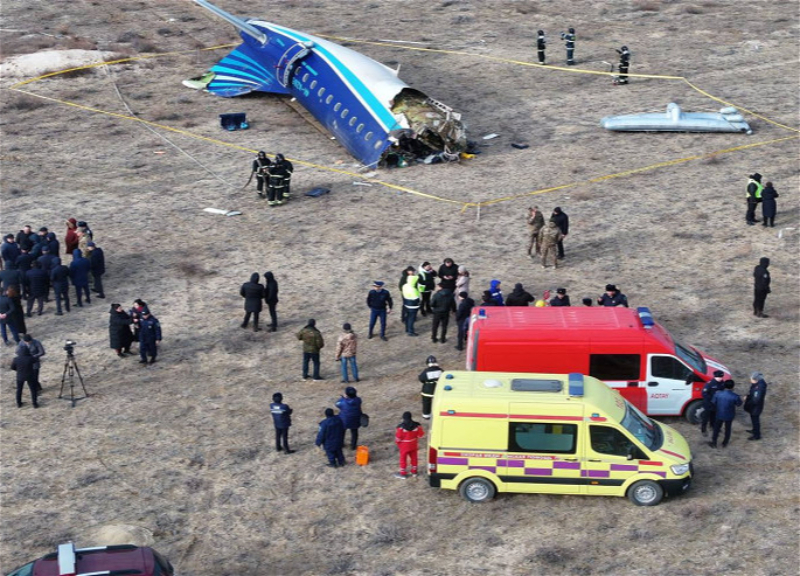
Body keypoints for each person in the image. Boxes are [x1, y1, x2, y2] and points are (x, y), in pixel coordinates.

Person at [709, 379, 742, 448]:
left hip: (719, 414)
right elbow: (739, 404)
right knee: (728, 429)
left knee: (716, 428)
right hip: (729, 415)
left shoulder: (718, 394)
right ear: (733, 387)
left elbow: (713, 402)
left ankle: (714, 443)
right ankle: (725, 443)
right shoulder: (735, 396)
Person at [394, 411, 425, 479]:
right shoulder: (417, 425)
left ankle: (403, 473)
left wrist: (399, 445)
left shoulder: (401, 428)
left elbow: (398, 439)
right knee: (414, 458)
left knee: (403, 459)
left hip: (404, 446)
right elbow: (420, 435)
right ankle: (414, 472)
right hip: (413, 444)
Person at [700, 370, 725, 437]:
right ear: (715, 377)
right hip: (709, 404)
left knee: (714, 417)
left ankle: (713, 426)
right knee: (705, 417)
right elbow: (704, 393)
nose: (720, 379)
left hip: (717, 404)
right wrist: (712, 399)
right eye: (719, 377)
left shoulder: (722, 383)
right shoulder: (710, 384)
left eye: (721, 377)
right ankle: (703, 430)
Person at [744, 372, 767, 441]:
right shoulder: (760, 383)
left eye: (751, 379)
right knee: (754, 419)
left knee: (755, 421)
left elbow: (755, 400)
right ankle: (754, 430)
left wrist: (747, 402)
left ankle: (757, 435)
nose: (750, 380)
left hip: (755, 408)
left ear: (756, 380)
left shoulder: (758, 388)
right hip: (755, 407)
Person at [401, 270, 421, 337]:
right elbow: (416, 299)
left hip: (406, 304)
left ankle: (407, 329)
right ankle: (410, 332)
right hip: (413, 307)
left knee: (407, 317)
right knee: (411, 319)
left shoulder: (405, 286)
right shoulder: (414, 290)